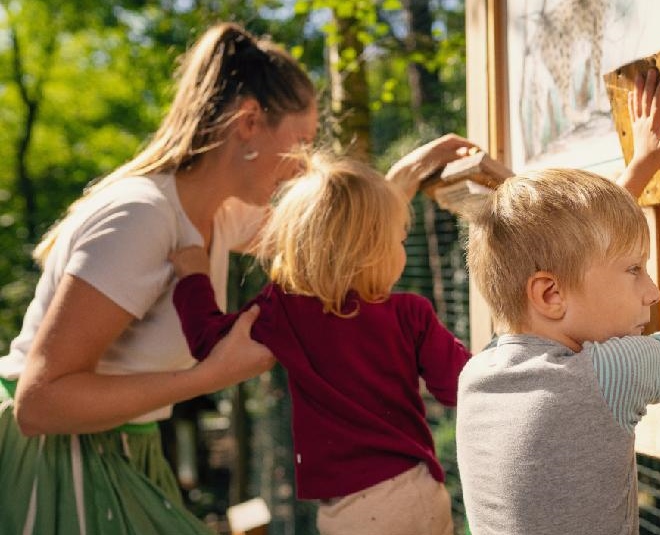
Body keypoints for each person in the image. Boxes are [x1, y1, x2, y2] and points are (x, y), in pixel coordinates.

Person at [0, 21, 475, 534]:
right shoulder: (140, 217)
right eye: (302, 143)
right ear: (249, 123)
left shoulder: (224, 213)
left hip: (125, 446)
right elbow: (38, 404)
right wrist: (206, 377)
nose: (303, 170)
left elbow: (335, 241)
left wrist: (399, 181)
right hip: (54, 457)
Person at [455, 71, 660, 535]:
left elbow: (583, 256)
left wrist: (640, 167)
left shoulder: (477, 375)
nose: (653, 291)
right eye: (635, 270)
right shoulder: (603, 374)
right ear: (550, 295)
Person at [169, 155, 471, 535]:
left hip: (349, 510)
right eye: (399, 239)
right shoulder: (410, 314)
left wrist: (193, 275)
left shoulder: (284, 310)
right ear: (372, 248)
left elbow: (210, 343)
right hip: (414, 491)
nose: (402, 250)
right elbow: (459, 384)